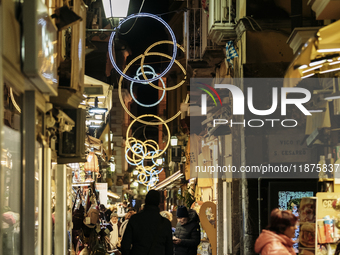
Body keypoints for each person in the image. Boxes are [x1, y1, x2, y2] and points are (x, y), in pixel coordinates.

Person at [121, 190, 173, 255]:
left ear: (145, 201)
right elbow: (169, 249)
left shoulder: (135, 219)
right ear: (158, 203)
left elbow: (125, 245)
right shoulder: (165, 223)